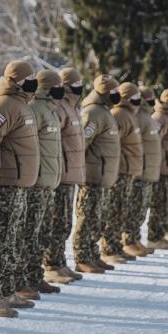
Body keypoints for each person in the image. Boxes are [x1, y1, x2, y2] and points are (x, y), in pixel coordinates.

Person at [0, 60, 39, 318]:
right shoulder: (3, 105)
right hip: (4, 186)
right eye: (29, 78)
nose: (34, 81)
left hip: (18, 187)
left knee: (11, 241)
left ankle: (5, 289)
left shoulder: (22, 105)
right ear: (16, 81)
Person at [19, 69, 63, 298]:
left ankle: (35, 276)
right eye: (57, 85)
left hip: (48, 183)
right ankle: (23, 279)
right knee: (29, 234)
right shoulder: (36, 109)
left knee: (41, 233)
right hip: (35, 183)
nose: (61, 88)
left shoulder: (51, 110)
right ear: (46, 87)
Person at [72, 74, 120, 273]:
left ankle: (92, 254)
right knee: (87, 218)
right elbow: (82, 142)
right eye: (114, 91)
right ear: (105, 92)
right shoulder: (93, 113)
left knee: (97, 218)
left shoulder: (104, 112)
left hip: (102, 176)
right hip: (92, 176)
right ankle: (82, 257)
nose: (118, 95)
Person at [42, 68, 86, 285]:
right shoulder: (59, 108)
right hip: (60, 174)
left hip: (70, 174)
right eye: (75, 84)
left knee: (65, 222)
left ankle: (59, 261)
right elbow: (51, 139)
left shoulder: (73, 108)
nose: (80, 87)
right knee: (56, 221)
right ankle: (51, 264)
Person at [100, 82, 144, 264]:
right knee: (114, 211)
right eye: (134, 97)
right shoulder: (119, 115)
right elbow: (112, 145)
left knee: (122, 211)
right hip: (120, 172)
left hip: (128, 171)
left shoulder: (130, 115)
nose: (138, 100)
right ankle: (109, 247)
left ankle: (117, 245)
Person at [123, 86, 161, 256]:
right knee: (133, 208)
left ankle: (135, 238)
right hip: (140, 170)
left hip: (147, 170)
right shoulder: (137, 116)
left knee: (140, 209)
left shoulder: (148, 117)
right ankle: (128, 240)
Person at [147, 89, 168, 249]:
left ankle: (162, 233)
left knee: (167, 203)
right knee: (159, 203)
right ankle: (154, 236)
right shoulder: (160, 118)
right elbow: (154, 143)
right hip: (162, 169)